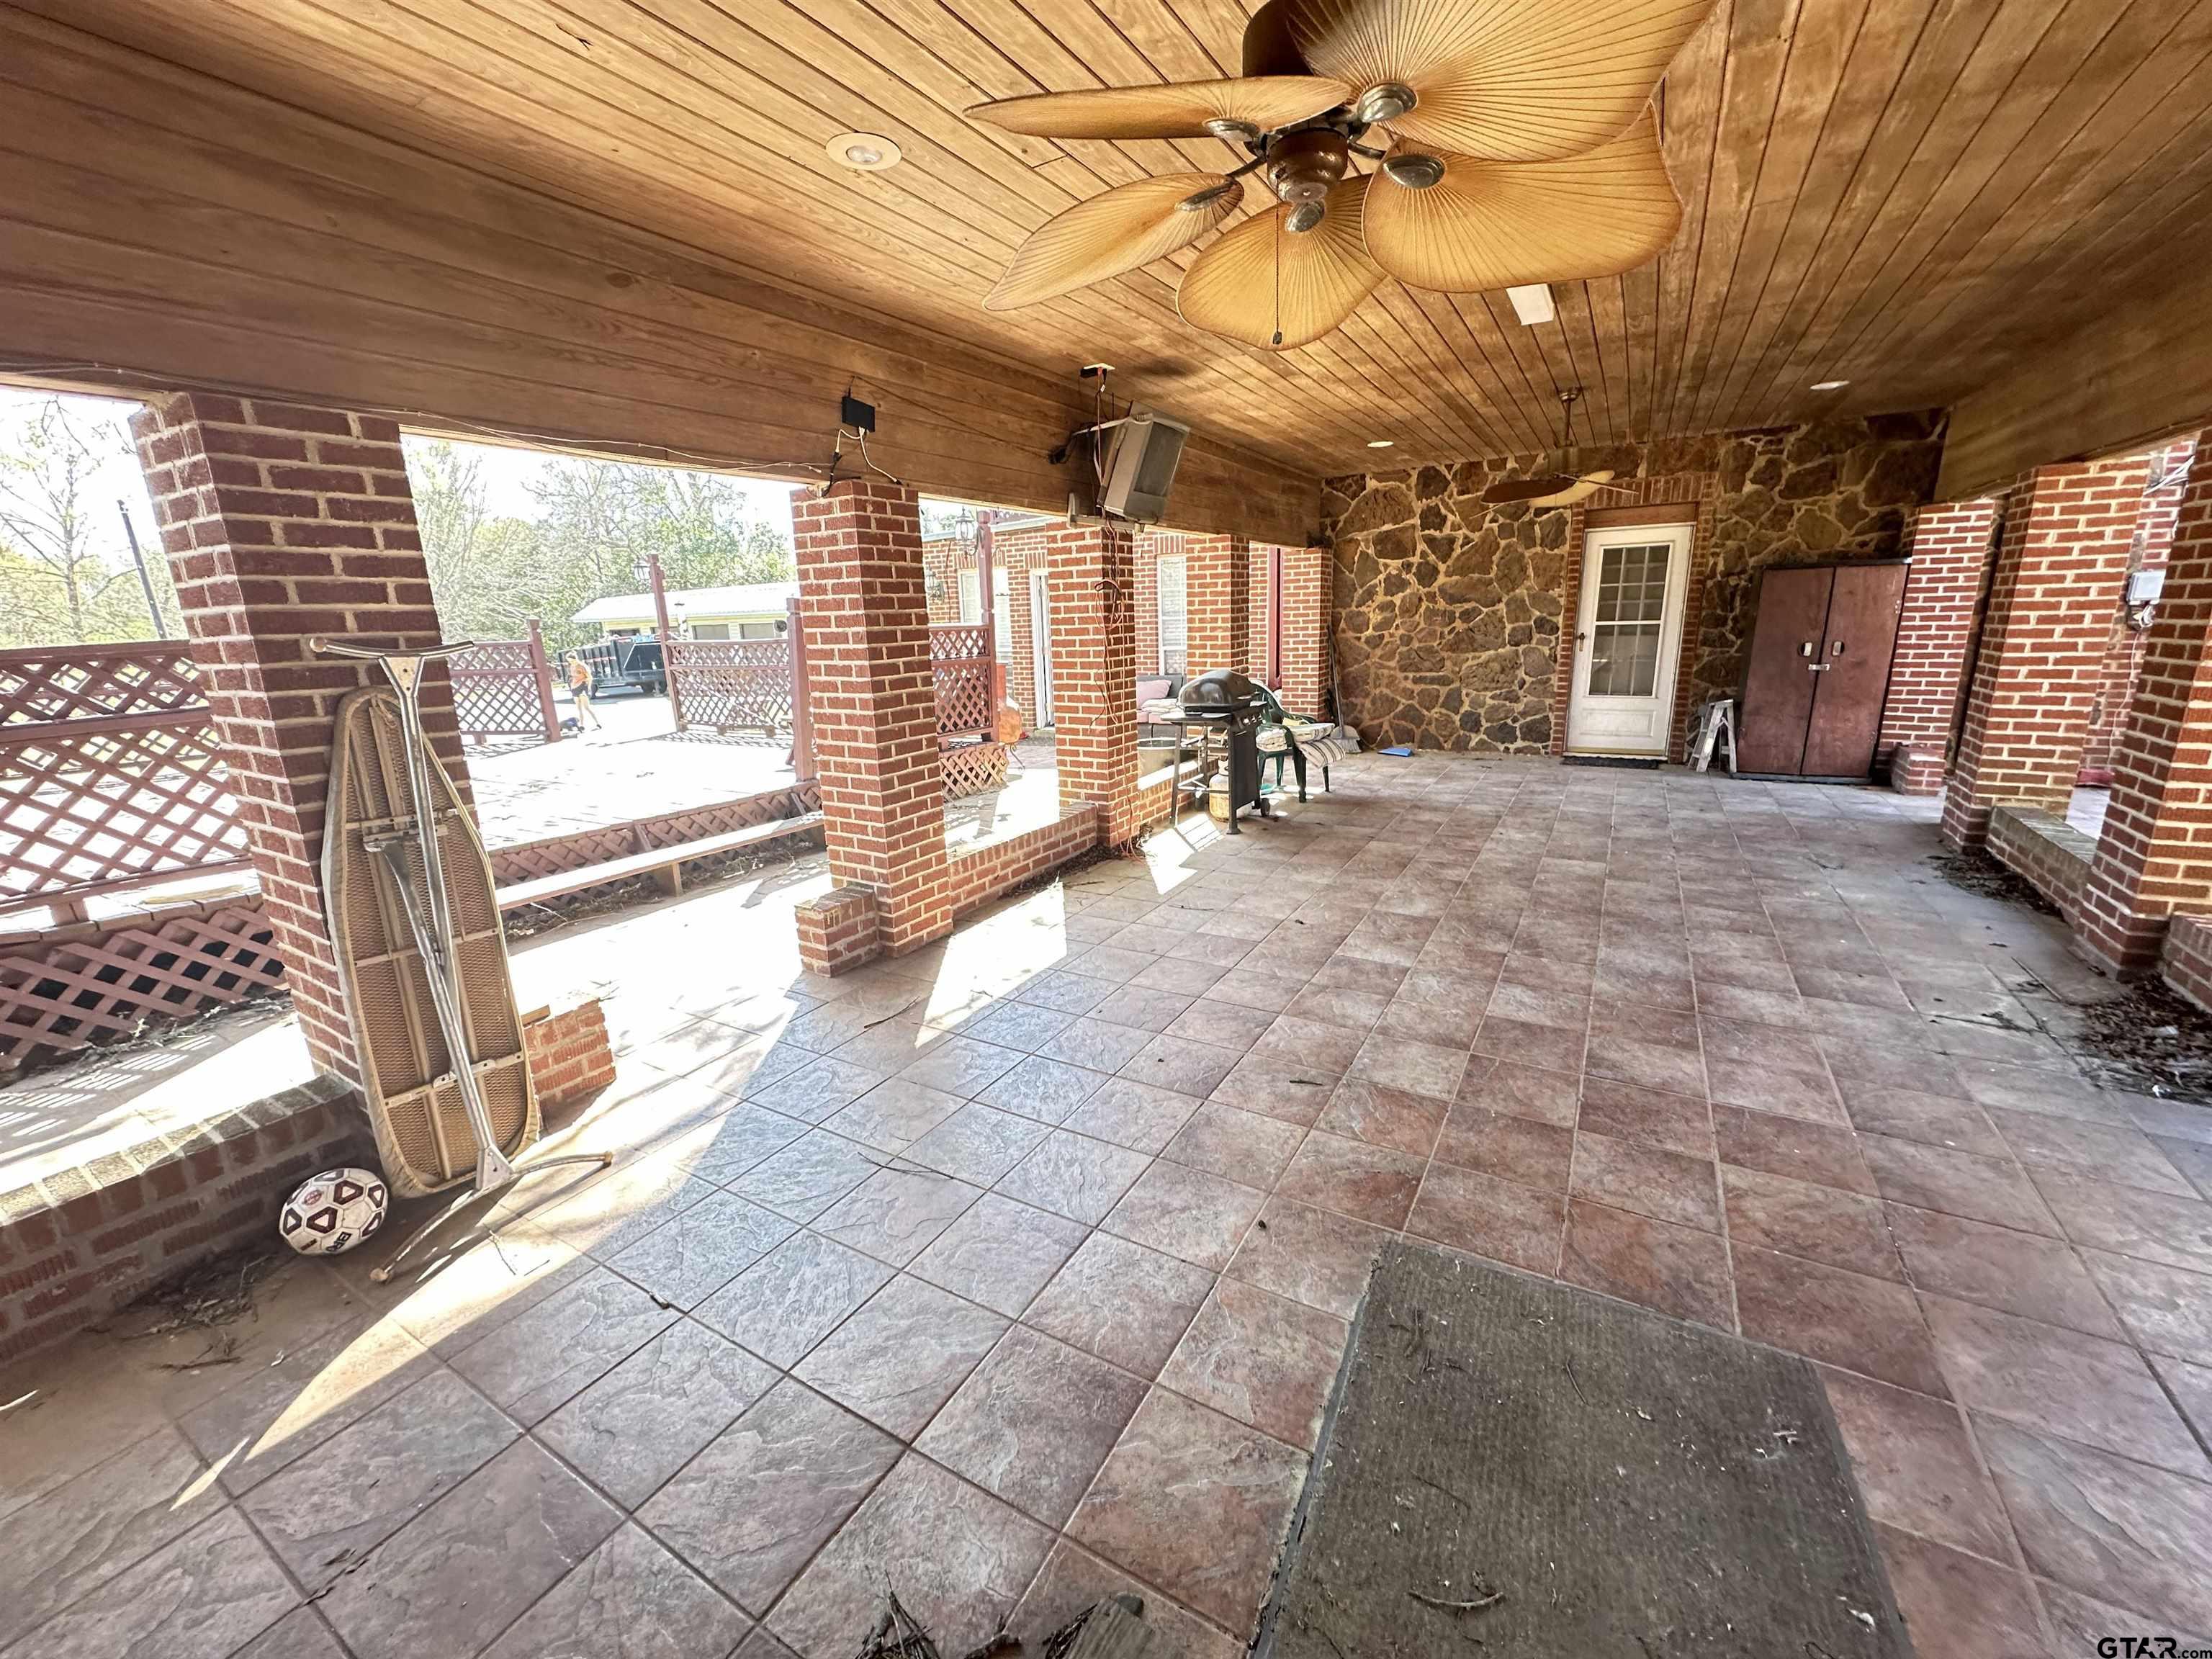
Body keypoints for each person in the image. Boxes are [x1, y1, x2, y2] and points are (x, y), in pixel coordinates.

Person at [565, 650, 601, 732]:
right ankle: (582, 725)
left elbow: (590, 677)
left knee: (586, 707)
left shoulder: (582, 666)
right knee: (579, 708)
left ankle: (597, 722)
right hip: (574, 687)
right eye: (569, 661)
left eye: (572, 661)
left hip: (582, 687)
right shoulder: (572, 667)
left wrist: (588, 687)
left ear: (575, 659)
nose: (571, 662)